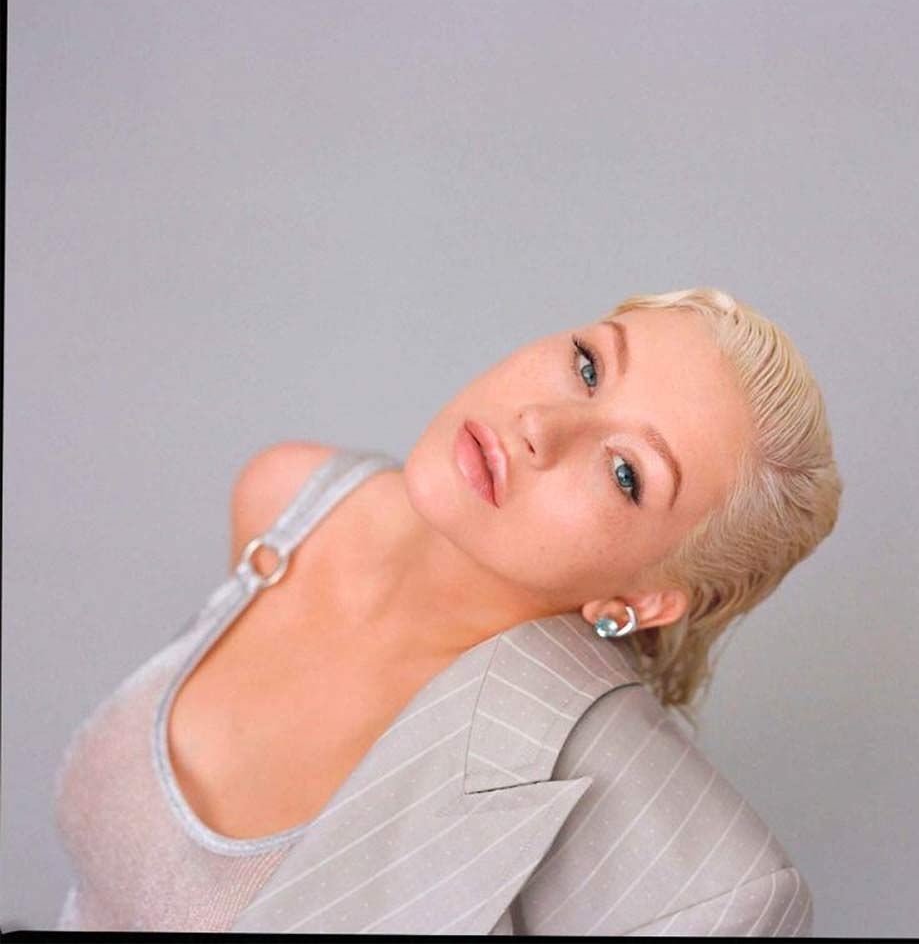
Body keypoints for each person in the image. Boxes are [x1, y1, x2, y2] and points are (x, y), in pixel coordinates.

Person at [52, 286, 843, 934]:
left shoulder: (705, 876)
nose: (541, 425)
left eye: (626, 473)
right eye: (588, 364)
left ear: (642, 598)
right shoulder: (289, 496)